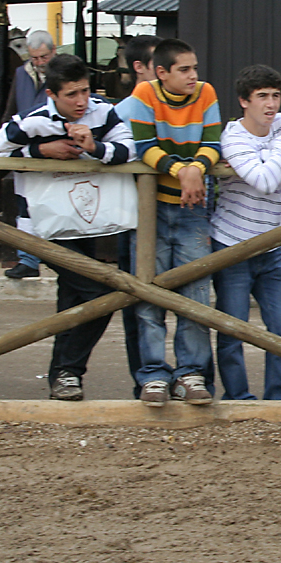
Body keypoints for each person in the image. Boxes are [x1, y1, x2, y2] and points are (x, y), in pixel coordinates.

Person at [0, 54, 135, 400]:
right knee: (100, 295)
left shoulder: (104, 112)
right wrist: (41, 150)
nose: (81, 101)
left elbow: (129, 149)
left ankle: (64, 377)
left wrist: (94, 147)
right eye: (71, 94)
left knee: (72, 298)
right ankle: (69, 371)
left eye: (85, 91)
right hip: (46, 227)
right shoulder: (32, 120)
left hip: (92, 223)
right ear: (51, 94)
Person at [123, 38, 221, 407]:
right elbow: (144, 146)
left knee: (195, 292)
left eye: (194, 68)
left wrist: (196, 168)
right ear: (162, 72)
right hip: (152, 209)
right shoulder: (144, 94)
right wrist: (185, 171)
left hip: (192, 207)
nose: (193, 76)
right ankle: (153, 375)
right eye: (184, 69)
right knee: (149, 293)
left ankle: (190, 373)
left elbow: (213, 142)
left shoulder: (206, 93)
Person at [209, 65, 281, 400]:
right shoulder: (233, 136)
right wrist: (279, 146)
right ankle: (238, 399)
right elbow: (265, 182)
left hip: (271, 245)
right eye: (262, 96)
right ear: (244, 101)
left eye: (275, 96)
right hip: (233, 245)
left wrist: (272, 151)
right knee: (232, 330)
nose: (271, 104)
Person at [112, 34, 161, 395]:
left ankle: (191, 376)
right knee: (137, 303)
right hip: (133, 220)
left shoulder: (182, 106)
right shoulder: (121, 113)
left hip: (178, 214)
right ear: (139, 67)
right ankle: (145, 377)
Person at [3, 30, 55, 280]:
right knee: (24, 205)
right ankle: (28, 259)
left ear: (53, 52)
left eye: (43, 57)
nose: (39, 62)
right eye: (35, 58)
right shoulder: (21, 73)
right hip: (26, 148)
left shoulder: (62, 74)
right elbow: (11, 108)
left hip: (56, 150)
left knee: (51, 206)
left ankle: (53, 259)